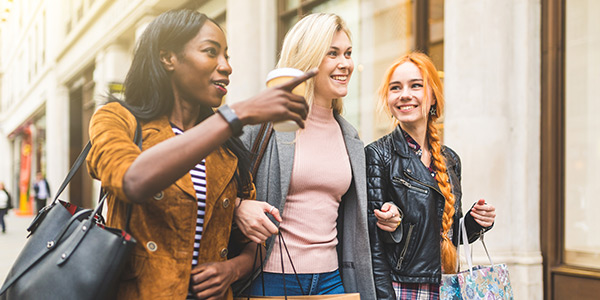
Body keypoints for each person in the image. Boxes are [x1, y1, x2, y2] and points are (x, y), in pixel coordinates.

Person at [85, 9, 316, 300]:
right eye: (211, 52)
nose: (226, 67)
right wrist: (238, 114)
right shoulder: (118, 119)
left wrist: (231, 270)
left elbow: (253, 245)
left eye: (227, 56)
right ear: (167, 58)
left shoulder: (226, 145)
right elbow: (133, 180)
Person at [234, 13, 396, 298]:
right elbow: (208, 185)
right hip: (270, 278)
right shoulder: (264, 124)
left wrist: (388, 219)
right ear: (306, 59)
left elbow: (348, 217)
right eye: (332, 54)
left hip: (332, 279)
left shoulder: (350, 136)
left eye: (347, 53)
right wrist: (237, 207)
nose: (345, 64)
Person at [365, 52, 497, 300]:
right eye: (396, 88)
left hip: (448, 285)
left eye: (416, 85)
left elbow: (448, 235)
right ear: (388, 99)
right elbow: (373, 244)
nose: (405, 94)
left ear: (433, 95)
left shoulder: (450, 159)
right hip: (402, 288)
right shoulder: (377, 155)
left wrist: (475, 223)